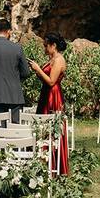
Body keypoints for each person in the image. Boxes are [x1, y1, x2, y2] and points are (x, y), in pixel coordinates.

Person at [30, 32, 70, 175]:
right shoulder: (51, 59)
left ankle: (56, 167)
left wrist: (38, 69)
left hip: (54, 97)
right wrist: (38, 72)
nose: (44, 49)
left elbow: (52, 81)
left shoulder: (59, 60)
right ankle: (44, 164)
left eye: (46, 46)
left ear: (53, 45)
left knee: (53, 130)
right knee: (43, 129)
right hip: (46, 95)